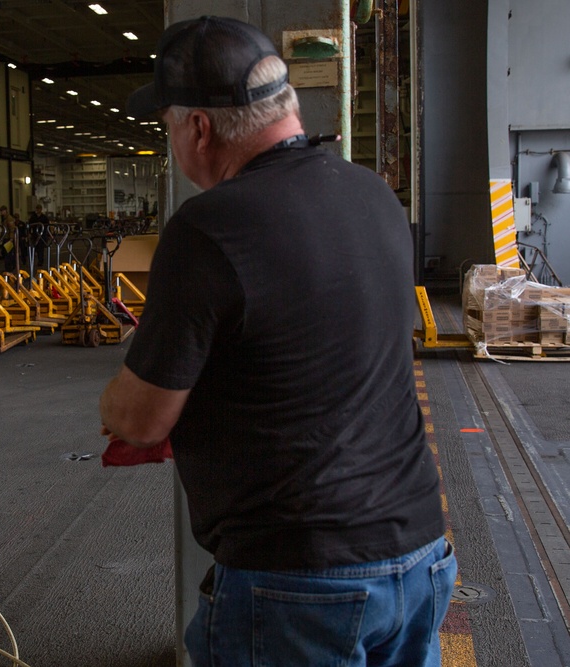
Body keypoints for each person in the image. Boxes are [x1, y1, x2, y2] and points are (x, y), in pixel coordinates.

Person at [98, 16, 455, 667]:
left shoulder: (208, 228)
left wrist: (145, 359)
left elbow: (140, 420)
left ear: (199, 128)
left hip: (300, 583)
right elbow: (315, 342)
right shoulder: (374, 195)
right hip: (420, 555)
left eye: (169, 126)